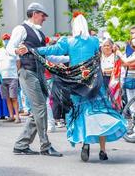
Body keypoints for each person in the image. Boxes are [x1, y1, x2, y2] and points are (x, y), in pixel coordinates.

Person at [19, 13, 127, 162]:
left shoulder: (68, 42)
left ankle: (86, 144)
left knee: (83, 114)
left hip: (77, 85)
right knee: (101, 113)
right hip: (94, 84)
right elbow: (99, 56)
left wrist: (31, 50)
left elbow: (51, 50)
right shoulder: (95, 41)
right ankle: (102, 150)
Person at [6, 2, 62, 156]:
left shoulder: (40, 34)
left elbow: (48, 56)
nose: (44, 19)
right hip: (27, 72)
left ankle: (21, 145)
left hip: (39, 72)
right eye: (43, 15)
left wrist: (70, 57)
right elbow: (9, 47)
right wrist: (17, 50)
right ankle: (45, 146)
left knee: (38, 110)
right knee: (40, 108)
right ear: (35, 13)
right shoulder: (21, 29)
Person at [0, 33, 21, 123]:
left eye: (7, 39)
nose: (6, 40)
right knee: (7, 98)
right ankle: (11, 116)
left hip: (12, 77)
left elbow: (18, 63)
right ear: (2, 41)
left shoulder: (14, 51)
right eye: (4, 39)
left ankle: (17, 116)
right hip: (3, 78)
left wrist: (16, 73)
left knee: (14, 97)